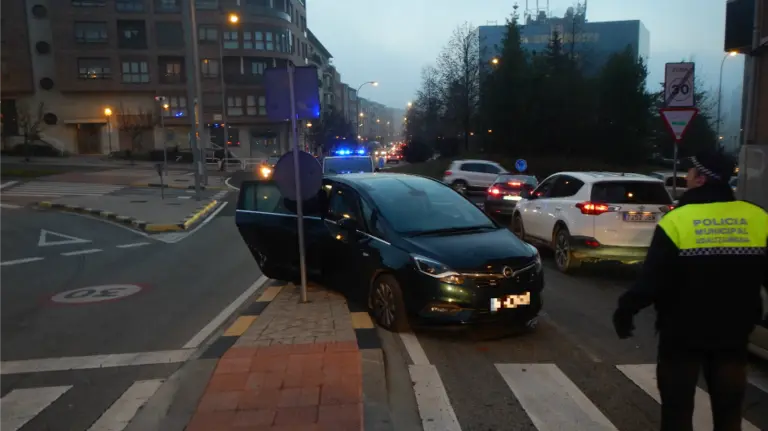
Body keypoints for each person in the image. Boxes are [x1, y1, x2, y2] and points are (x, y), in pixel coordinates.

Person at [613, 149, 768, 431]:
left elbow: (652, 280)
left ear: (700, 180)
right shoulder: (757, 218)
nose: (688, 177)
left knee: (677, 412)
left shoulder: (677, 222)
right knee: (729, 412)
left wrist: (626, 310)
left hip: (681, 336)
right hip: (733, 335)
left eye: (692, 172)